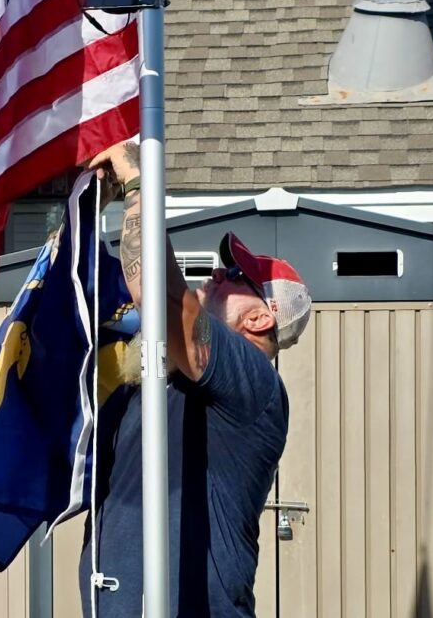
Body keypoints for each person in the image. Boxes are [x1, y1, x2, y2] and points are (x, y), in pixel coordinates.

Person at [79, 141, 312, 618]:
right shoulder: (163, 373)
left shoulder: (255, 385)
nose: (217, 273)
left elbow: (162, 297)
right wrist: (92, 210)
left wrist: (138, 182)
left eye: (236, 275)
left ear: (260, 319)